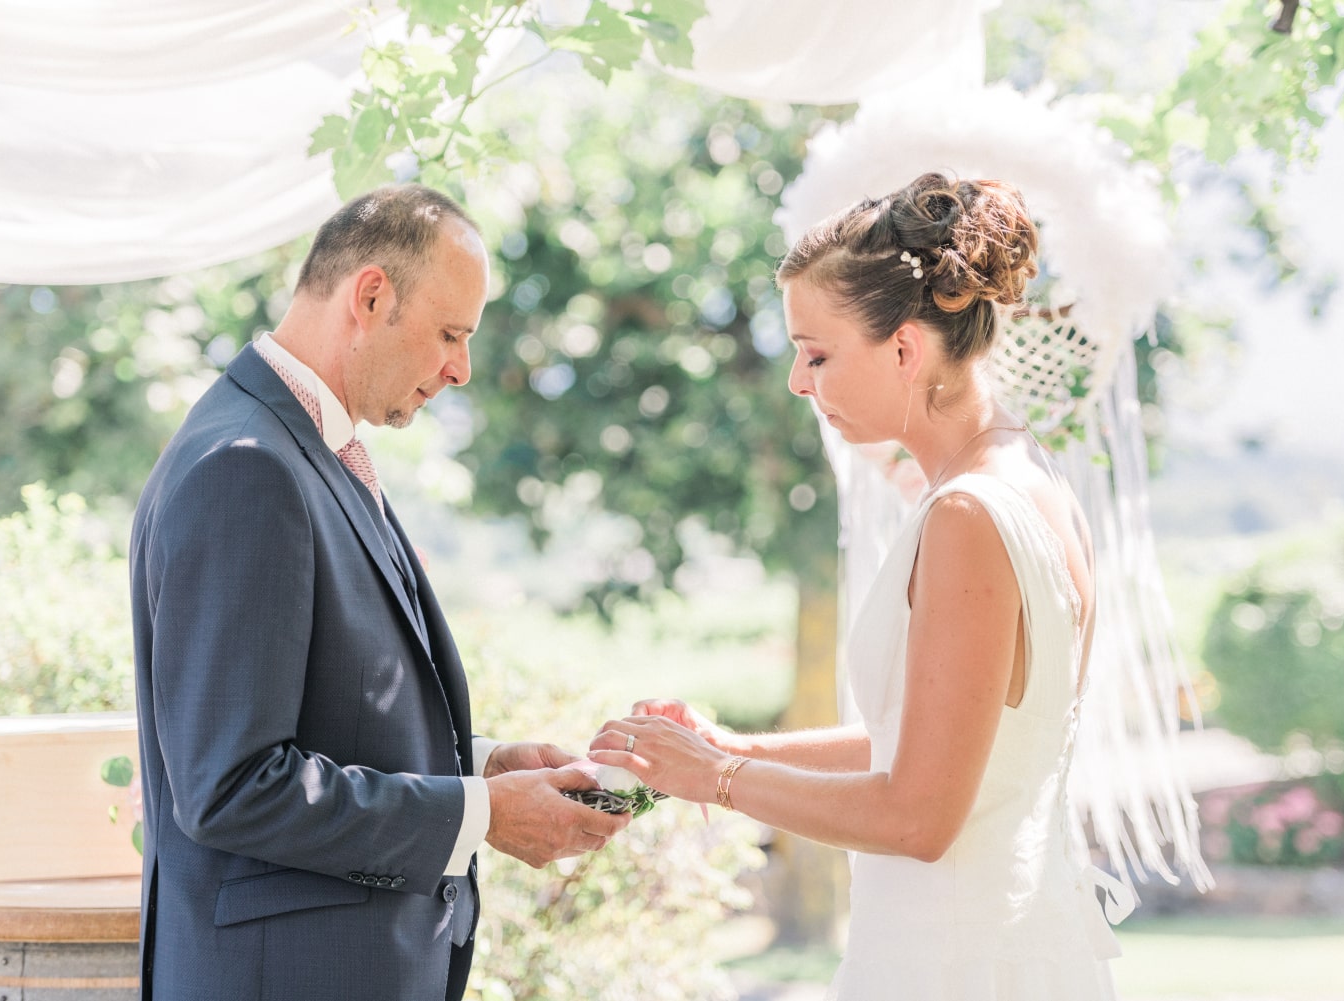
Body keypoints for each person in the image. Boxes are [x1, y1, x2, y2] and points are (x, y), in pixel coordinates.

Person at [590, 172, 1122, 998]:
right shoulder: (1035, 483)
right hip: (1001, 940)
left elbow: (918, 816)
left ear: (905, 348)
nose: (800, 383)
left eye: (817, 355)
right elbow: (931, 738)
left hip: (950, 960)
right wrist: (730, 744)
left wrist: (713, 780)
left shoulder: (968, 518)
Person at [129, 183, 628, 1001]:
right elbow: (231, 786)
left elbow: (327, 720)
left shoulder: (308, 450)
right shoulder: (246, 467)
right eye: (450, 334)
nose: (461, 369)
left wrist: (482, 767)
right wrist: (483, 814)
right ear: (370, 296)